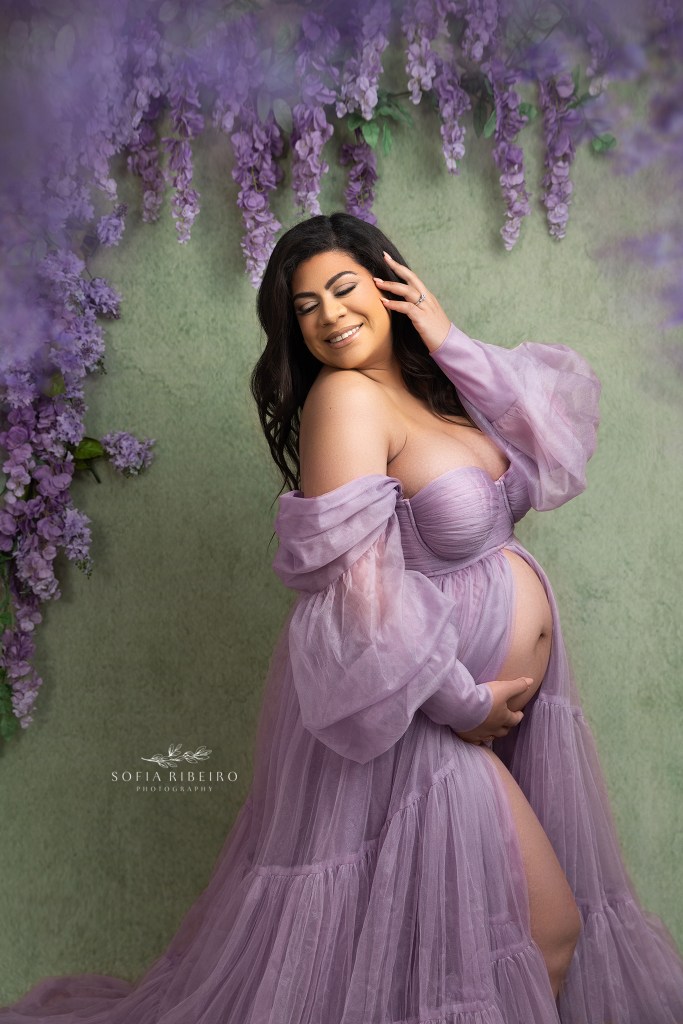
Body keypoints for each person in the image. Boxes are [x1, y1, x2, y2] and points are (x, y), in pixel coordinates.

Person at [2, 212, 683, 1023]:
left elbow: (553, 444)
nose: (327, 314)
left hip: (490, 708)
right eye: (304, 305)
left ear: (390, 284)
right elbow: (350, 594)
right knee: (544, 934)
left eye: (343, 287)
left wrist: (446, 334)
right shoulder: (346, 400)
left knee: (474, 950)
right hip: (423, 717)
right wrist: (460, 702)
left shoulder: (442, 397)